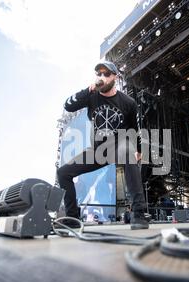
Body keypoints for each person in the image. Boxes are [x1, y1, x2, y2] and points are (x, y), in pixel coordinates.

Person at [57, 61, 149, 230]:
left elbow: (134, 130)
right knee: (63, 172)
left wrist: (138, 150)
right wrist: (88, 89)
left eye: (107, 74)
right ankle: (72, 218)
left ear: (115, 77)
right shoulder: (91, 96)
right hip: (97, 151)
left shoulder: (128, 102)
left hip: (117, 146)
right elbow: (68, 106)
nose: (102, 77)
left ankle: (139, 213)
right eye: (99, 74)